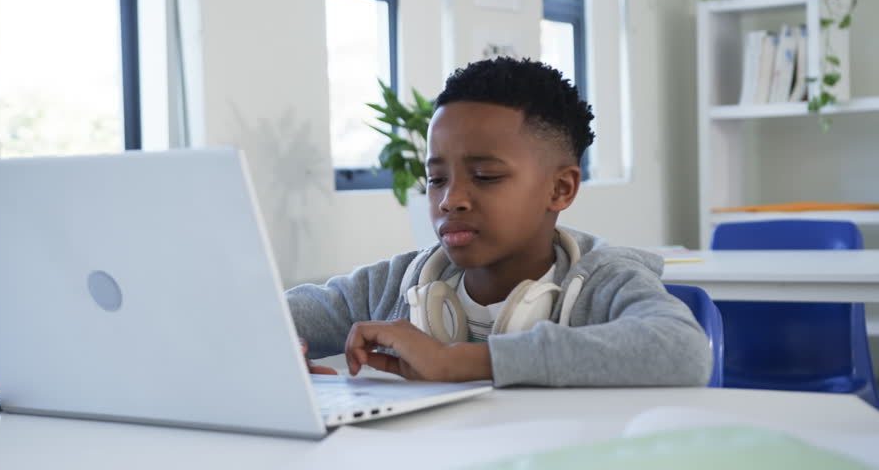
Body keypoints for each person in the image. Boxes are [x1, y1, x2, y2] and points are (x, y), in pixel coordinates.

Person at [288, 57, 712, 387]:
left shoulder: (603, 281)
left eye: (486, 177)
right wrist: (272, 355)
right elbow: (267, 317)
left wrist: (460, 362)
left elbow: (684, 351)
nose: (450, 200)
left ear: (560, 189)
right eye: (436, 180)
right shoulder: (397, 284)